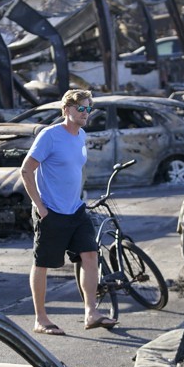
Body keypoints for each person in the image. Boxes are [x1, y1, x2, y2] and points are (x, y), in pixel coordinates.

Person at [20, 89, 117, 335]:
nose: (85, 113)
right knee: (42, 263)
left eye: (88, 109)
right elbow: (26, 171)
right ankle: (40, 319)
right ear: (66, 110)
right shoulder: (50, 136)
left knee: (90, 255)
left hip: (75, 209)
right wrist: (40, 207)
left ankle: (91, 312)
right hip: (50, 211)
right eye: (80, 108)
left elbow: (76, 169)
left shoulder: (81, 135)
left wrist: (80, 195)